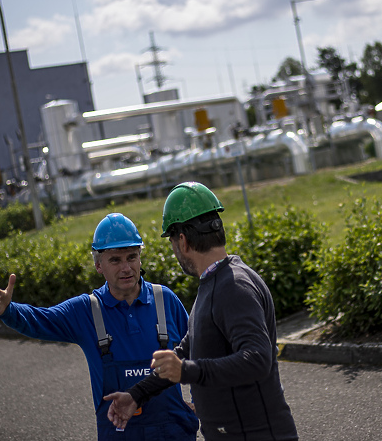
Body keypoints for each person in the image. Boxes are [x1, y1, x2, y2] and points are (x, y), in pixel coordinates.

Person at [104, 182, 299, 441]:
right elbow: (187, 350)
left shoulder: (234, 287)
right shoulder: (215, 283)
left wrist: (187, 371)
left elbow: (257, 358)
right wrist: (137, 394)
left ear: (182, 241)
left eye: (172, 241)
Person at [0, 212, 199, 440]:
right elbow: (42, 320)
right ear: (99, 266)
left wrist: (201, 403)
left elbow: (200, 350)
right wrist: (9, 311)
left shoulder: (165, 299)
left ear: (140, 258)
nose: (126, 268)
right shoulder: (88, 310)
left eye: (131, 257)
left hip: (174, 432)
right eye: (115, 260)